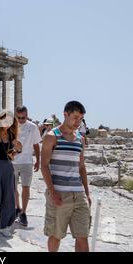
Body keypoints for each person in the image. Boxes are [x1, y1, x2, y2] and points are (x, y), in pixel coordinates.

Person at [40, 101, 91, 252]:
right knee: (56, 235)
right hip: (59, 194)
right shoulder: (51, 137)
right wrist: (52, 192)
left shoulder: (80, 139)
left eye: (80, 119)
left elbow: (81, 167)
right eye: (75, 117)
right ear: (65, 115)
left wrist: (87, 193)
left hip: (79, 194)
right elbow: (44, 165)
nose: (78, 122)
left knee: (83, 236)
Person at [13, 106, 42, 227]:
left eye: (23, 118)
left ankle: (23, 212)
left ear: (27, 115)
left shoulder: (33, 127)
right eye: (18, 118)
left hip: (27, 161)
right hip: (13, 162)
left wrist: (38, 160)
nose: (20, 120)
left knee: (26, 187)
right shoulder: (11, 126)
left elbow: (36, 144)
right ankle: (17, 208)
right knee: (13, 188)